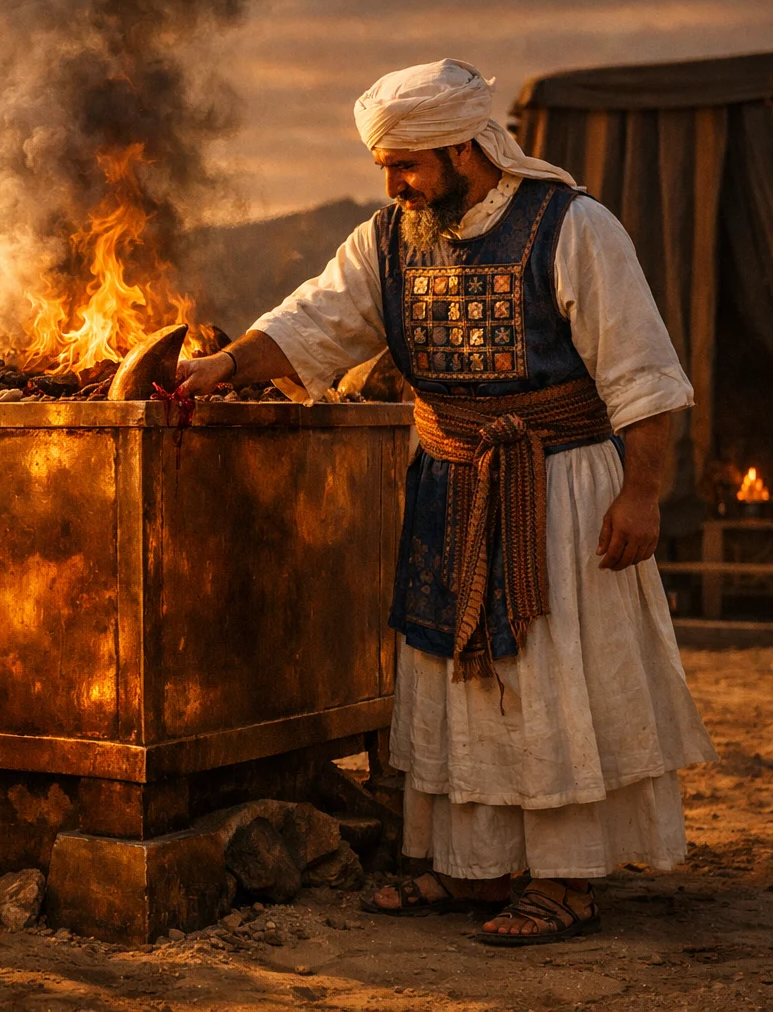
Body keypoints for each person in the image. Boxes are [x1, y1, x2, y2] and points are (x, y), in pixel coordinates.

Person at [179, 59, 715, 946]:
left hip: (560, 489)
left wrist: (644, 494)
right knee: (458, 683)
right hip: (447, 483)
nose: (394, 184)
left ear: (469, 146)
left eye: (411, 164)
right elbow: (317, 320)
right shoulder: (389, 239)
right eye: (385, 166)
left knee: (548, 677)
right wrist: (227, 365)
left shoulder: (574, 227)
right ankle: (477, 872)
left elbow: (645, 375)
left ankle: (566, 881)